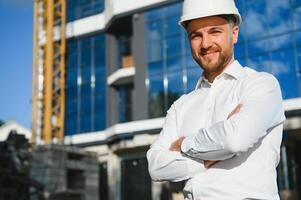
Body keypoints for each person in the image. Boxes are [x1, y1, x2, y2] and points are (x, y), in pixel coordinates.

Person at [146, 0, 286, 199]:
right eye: (196, 36)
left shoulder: (261, 85)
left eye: (215, 32)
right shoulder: (181, 106)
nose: (205, 44)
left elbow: (233, 140)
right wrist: (205, 160)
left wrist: (184, 145)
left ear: (234, 33)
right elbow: (156, 166)